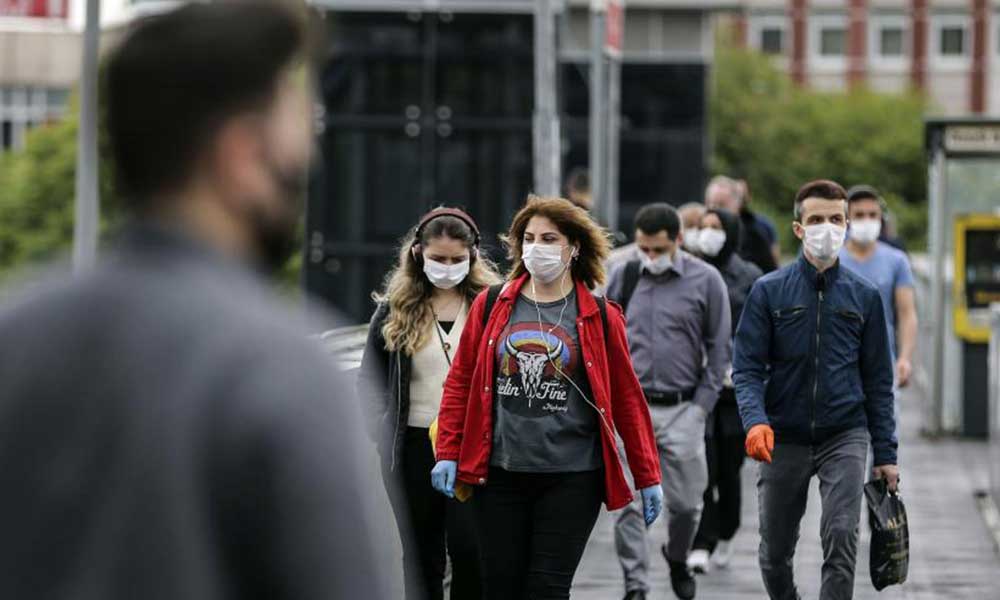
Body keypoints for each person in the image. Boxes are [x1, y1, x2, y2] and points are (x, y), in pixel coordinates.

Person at [0, 3, 388, 599]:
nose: (307, 157)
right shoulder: (282, 369)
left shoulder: (16, 336)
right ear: (239, 154)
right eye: (295, 128)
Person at [431, 195, 663, 600]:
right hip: (499, 473)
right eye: (529, 237)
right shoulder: (492, 305)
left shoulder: (600, 316)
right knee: (501, 588)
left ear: (573, 248)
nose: (537, 247)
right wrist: (448, 450)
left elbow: (627, 400)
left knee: (547, 590)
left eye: (549, 238)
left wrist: (648, 476)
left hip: (572, 478)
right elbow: (461, 381)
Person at [733, 180, 898, 600]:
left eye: (836, 219)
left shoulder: (865, 297)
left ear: (845, 224)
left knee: (842, 536)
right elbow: (747, 367)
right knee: (774, 553)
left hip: (844, 432)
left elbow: (879, 380)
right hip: (781, 435)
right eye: (816, 219)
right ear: (798, 228)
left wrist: (886, 455)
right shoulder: (768, 291)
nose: (828, 227)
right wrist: (755, 421)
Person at [358, 207, 500, 600]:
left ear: (472, 256)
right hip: (413, 444)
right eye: (438, 258)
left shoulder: (490, 307)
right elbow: (369, 380)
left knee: (471, 550)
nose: (447, 267)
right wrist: (381, 431)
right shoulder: (394, 309)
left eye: (457, 259)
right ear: (419, 253)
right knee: (421, 554)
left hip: (472, 445)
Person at [607, 203, 732, 600]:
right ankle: (636, 585)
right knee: (628, 507)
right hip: (632, 408)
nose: (650, 257)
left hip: (683, 407)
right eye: (644, 248)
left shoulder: (706, 280)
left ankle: (677, 558)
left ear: (678, 240)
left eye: (658, 250)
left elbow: (719, 348)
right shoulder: (623, 274)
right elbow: (606, 339)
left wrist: (701, 407)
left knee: (685, 505)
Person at [687, 209, 763, 574]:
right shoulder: (686, 269)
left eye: (717, 228)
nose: (709, 233)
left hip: (735, 386)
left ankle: (727, 528)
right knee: (704, 465)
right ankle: (703, 539)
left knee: (729, 467)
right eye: (704, 227)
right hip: (697, 384)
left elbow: (758, 327)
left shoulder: (749, 277)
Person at [840, 185, 917, 396]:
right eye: (859, 215)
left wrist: (904, 358)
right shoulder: (832, 258)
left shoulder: (896, 260)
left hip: (883, 361)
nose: (867, 220)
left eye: (872, 215)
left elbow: (906, 312)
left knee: (885, 425)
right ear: (847, 218)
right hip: (837, 364)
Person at [705, 176, 779, 273]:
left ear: (737, 205)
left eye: (722, 205)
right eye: (711, 204)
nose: (715, 211)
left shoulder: (755, 235)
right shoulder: (699, 232)